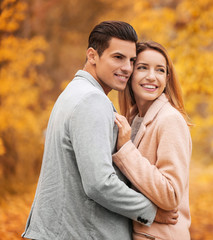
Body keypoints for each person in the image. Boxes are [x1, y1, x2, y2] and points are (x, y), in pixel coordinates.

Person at [22, 21, 177, 240]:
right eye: (118, 57)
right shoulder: (91, 101)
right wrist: (151, 212)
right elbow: (99, 184)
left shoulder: (74, 92)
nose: (127, 68)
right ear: (92, 55)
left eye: (132, 60)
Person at [114, 41, 192, 240]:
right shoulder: (133, 120)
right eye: (142, 68)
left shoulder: (170, 119)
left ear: (167, 78)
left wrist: (126, 150)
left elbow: (171, 195)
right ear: (130, 73)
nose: (151, 76)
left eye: (160, 70)